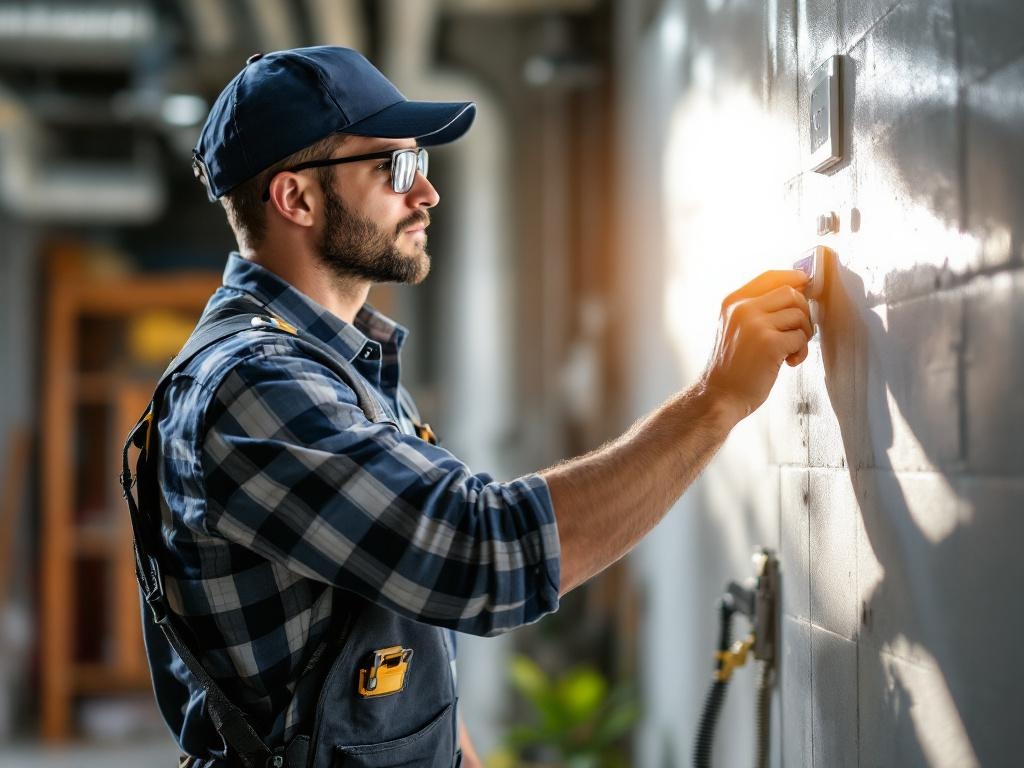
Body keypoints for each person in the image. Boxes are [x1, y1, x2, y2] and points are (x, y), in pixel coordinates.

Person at [138, 46, 812, 768]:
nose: (426, 192)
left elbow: (396, 625)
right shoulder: (255, 389)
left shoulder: (340, 364)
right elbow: (484, 556)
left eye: (420, 162)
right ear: (296, 198)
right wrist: (715, 401)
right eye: (394, 168)